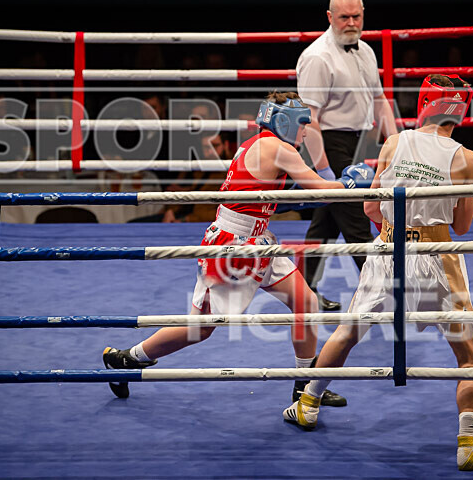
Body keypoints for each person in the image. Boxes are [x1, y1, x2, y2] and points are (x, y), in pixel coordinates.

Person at [282, 75, 473, 471]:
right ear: (461, 111)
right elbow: (462, 226)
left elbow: (371, 210)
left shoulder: (394, 142)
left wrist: (395, 229)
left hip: (388, 249)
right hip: (436, 256)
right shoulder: (467, 159)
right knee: (469, 356)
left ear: (425, 103)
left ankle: (307, 405)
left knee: (348, 331)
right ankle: (469, 444)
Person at [103, 91, 375, 407]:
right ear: (283, 121)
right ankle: (127, 359)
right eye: (302, 122)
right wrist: (352, 183)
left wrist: (321, 193)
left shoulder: (255, 144)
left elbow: (268, 199)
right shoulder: (278, 148)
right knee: (201, 328)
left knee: (305, 303)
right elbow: (323, 191)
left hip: (256, 241)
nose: (305, 130)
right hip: (233, 247)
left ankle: (304, 385)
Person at [296, 0, 398, 311]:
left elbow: (380, 101)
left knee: (325, 223)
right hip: (328, 142)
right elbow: (308, 120)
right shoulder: (317, 57)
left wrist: (396, 144)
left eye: (357, 16)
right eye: (344, 17)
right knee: (356, 220)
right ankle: (384, 294)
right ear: (330, 17)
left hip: (357, 143)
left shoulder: (366, 51)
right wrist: (324, 172)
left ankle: (304, 293)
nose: (351, 22)